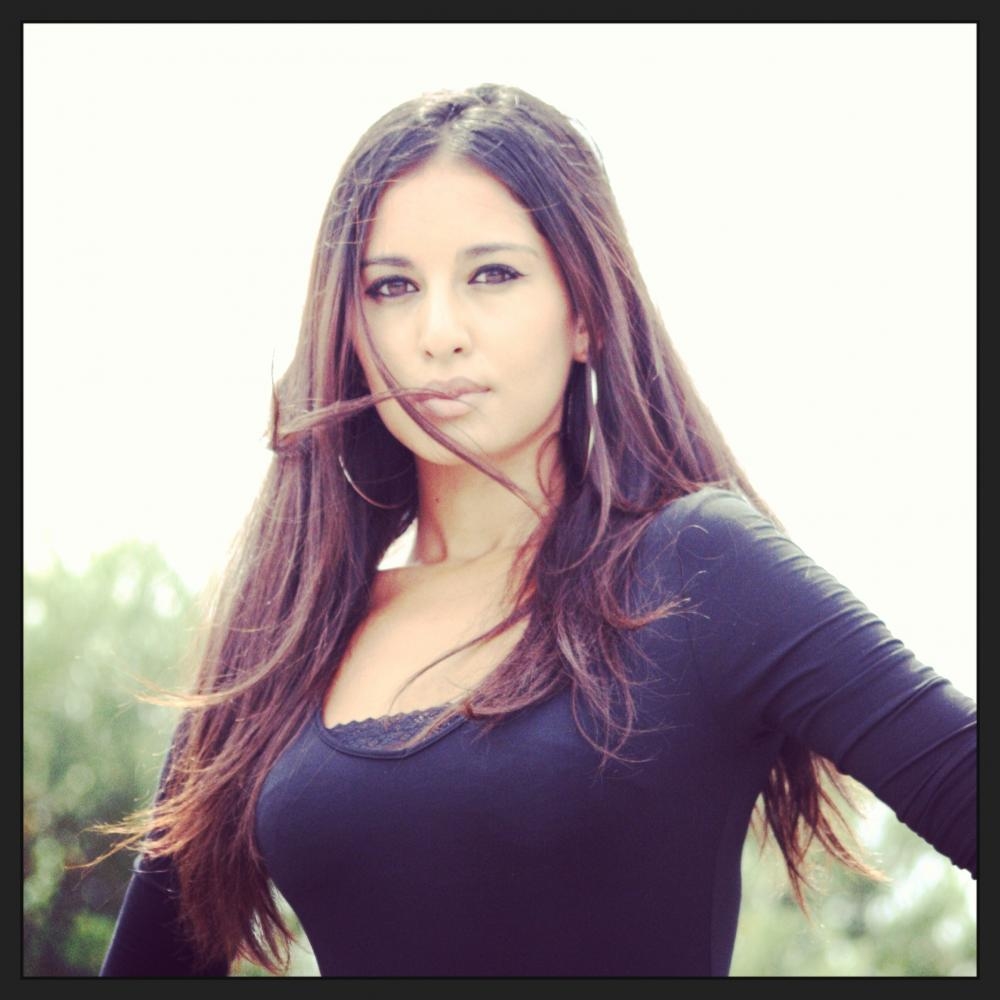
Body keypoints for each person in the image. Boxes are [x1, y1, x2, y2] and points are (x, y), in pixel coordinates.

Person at [99, 83, 976, 978]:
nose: (438, 332)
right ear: (351, 330)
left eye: (493, 274)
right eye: (392, 287)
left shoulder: (700, 568)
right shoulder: (283, 636)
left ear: (585, 313)